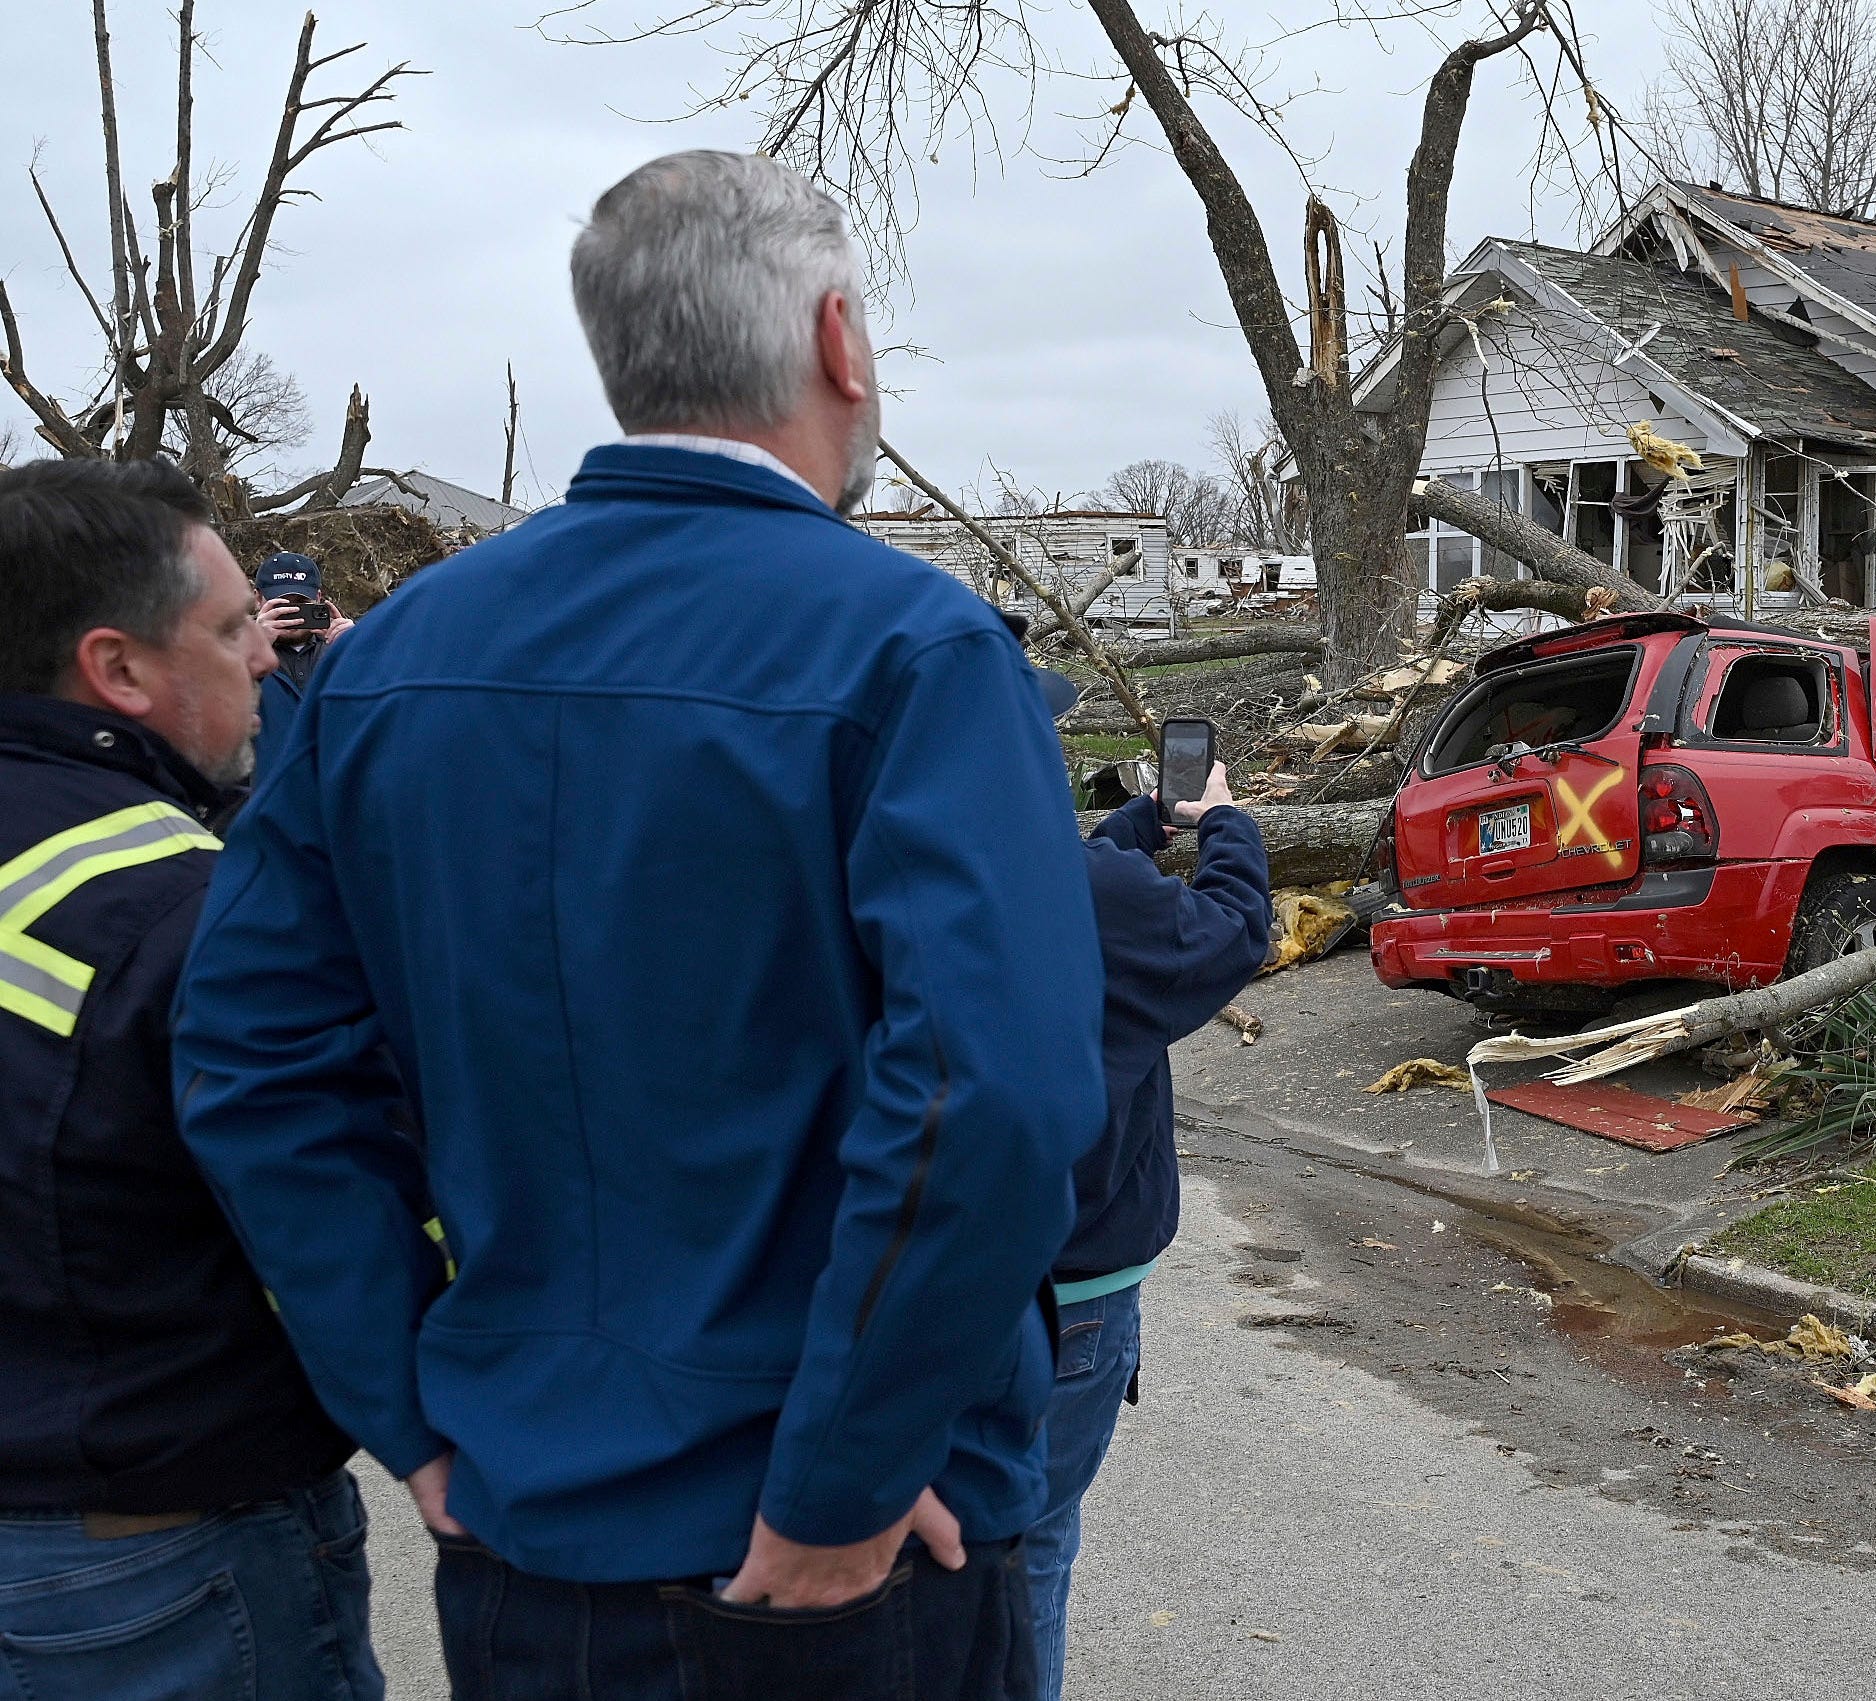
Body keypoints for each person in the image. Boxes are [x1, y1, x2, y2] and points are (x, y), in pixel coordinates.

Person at [173, 149, 1107, 1700]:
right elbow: (988, 1093)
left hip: (535, 1527)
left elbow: (254, 1065)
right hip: (845, 1555)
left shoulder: (391, 660)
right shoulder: (915, 649)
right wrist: (844, 1475)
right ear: (840, 346)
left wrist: (408, 1405)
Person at [0, 456, 382, 1700]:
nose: (267, 657)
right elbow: (337, 1194)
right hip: (159, 1543)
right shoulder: (183, 908)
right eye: (228, 631)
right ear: (118, 671)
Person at [1030, 755, 1272, 1694]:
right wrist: (1226, 827)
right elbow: (1229, 932)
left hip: (903, 1268)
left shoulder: (880, 862)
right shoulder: (1089, 892)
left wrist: (1131, 831)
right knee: (1031, 1539)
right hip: (1073, 1281)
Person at [247, 551, 353, 786]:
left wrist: (360, 652)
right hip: (263, 801)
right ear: (258, 599)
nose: (292, 614)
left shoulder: (345, 650)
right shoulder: (231, 655)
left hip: (335, 795)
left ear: (318, 598)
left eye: (301, 604)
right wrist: (251, 649)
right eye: (282, 605)